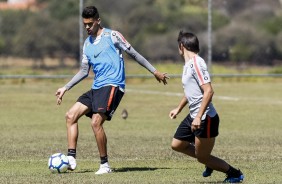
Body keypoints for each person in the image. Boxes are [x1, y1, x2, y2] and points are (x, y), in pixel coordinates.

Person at [55, 6, 169, 175]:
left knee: (95, 122)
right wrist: (66, 87)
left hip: (113, 85)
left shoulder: (113, 36)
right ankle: (71, 158)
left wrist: (154, 71)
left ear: (98, 21)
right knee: (70, 116)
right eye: (85, 24)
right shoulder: (87, 44)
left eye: (90, 24)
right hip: (97, 87)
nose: (87, 27)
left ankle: (105, 165)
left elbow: (135, 54)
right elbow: (84, 71)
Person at [169, 31, 244, 183]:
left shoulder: (197, 63)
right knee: (177, 144)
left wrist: (198, 117)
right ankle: (210, 162)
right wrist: (179, 108)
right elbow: (192, 92)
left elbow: (209, 91)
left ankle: (234, 173)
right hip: (194, 115)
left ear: (181, 46)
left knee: (202, 157)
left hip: (205, 118)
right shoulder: (187, 65)